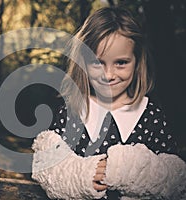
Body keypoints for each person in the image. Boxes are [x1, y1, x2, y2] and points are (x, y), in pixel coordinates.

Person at [32, 6, 185, 200]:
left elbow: (174, 178)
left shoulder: (150, 116)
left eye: (121, 62)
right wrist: (83, 175)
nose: (109, 75)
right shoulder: (73, 113)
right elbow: (48, 166)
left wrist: (125, 168)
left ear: (137, 62)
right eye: (98, 63)